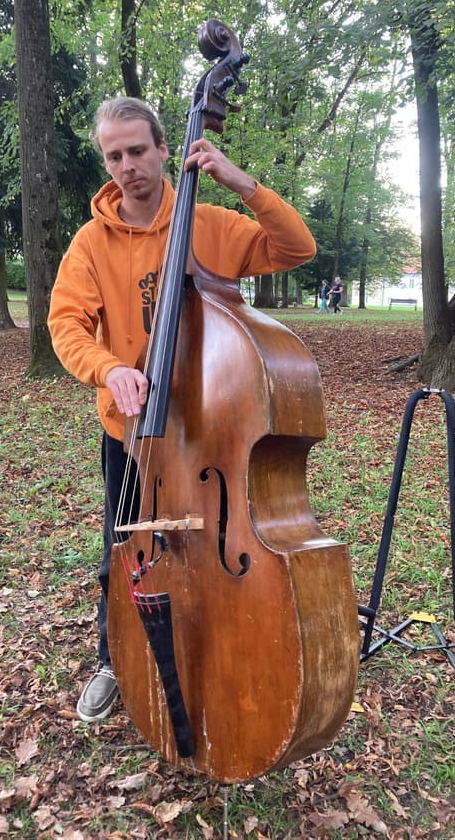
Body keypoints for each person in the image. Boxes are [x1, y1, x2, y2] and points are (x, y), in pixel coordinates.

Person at [47, 96, 316, 722]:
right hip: (135, 432)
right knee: (127, 544)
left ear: (165, 149)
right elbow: (66, 324)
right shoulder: (91, 243)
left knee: (219, 545)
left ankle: (223, 643)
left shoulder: (212, 223)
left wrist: (240, 183)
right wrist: (110, 368)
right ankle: (113, 658)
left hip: (215, 430)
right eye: (113, 155)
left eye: (137, 150)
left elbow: (296, 248)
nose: (126, 166)